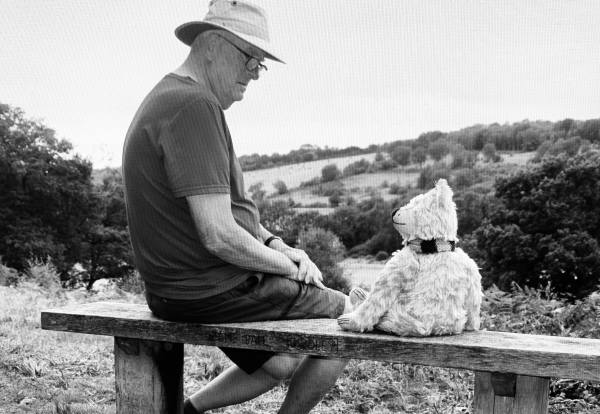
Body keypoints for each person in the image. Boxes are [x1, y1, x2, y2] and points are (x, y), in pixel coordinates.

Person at [122, 1, 356, 413]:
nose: (255, 73)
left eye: (260, 63)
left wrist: (279, 245)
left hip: (174, 289)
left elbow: (230, 212)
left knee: (280, 361)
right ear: (212, 44)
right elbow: (218, 234)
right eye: (251, 58)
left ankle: (188, 411)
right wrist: (287, 269)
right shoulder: (193, 106)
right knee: (345, 316)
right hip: (207, 287)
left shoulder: (174, 97)